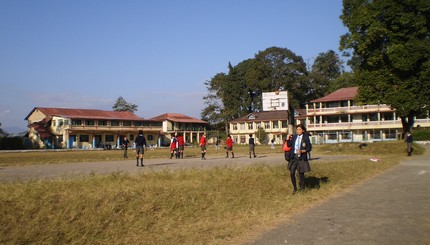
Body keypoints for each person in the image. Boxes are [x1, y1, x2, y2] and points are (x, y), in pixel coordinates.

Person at [288, 124, 312, 194]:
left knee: (301, 173)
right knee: (292, 172)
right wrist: (288, 139)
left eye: (299, 129)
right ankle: (295, 188)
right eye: (297, 129)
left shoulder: (306, 138)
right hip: (294, 157)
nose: (298, 131)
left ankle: (302, 188)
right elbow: (289, 144)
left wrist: (302, 151)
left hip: (301, 157)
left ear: (303, 130)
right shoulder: (294, 137)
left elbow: (309, 148)